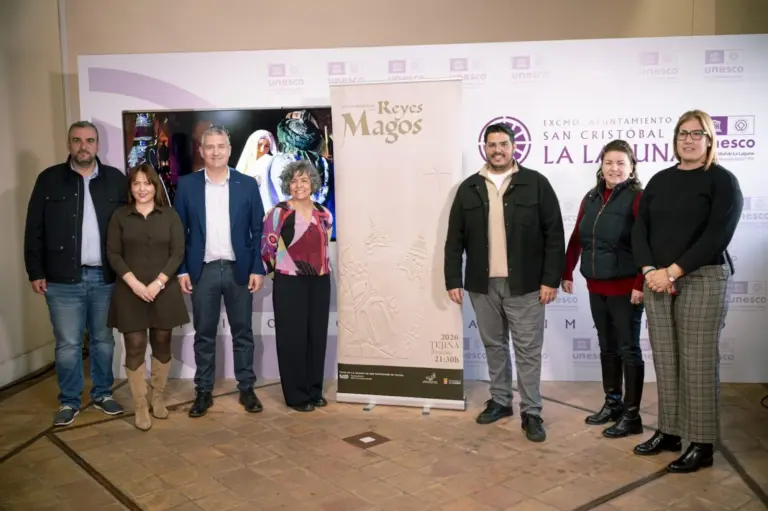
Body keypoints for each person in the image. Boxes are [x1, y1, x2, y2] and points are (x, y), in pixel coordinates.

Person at [631, 110, 743, 473]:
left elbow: (716, 236)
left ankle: (702, 443)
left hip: (702, 278)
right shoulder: (660, 180)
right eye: (683, 133)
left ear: (709, 140)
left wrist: (673, 272)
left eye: (697, 134)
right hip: (657, 281)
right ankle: (671, 431)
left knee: (697, 363)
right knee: (666, 359)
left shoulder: (722, 181)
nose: (689, 139)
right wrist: (650, 270)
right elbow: (640, 229)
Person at [444, 122, 565, 442]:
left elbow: (554, 235)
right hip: (482, 286)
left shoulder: (536, 183)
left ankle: (532, 411)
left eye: (503, 144)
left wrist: (550, 279)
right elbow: (454, 238)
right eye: (492, 144)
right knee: (494, 346)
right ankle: (500, 400)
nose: (498, 149)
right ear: (484, 147)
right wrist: (453, 278)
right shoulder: (468, 188)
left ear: (514, 147)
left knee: (528, 350)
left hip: (526, 285)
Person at [24, 120, 128, 426]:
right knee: (68, 344)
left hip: (104, 278)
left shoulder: (115, 180)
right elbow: (34, 229)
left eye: (90, 140)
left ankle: (103, 394)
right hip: (61, 280)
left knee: (103, 340)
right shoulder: (49, 180)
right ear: (69, 144)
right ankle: (69, 400)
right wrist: (35, 270)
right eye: (77, 140)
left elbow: (128, 227)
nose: (84, 145)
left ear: (97, 145)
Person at [174, 125, 266, 417]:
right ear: (201, 151)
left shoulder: (247, 184)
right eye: (209, 147)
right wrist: (182, 270)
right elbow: (179, 232)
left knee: (243, 333)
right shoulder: (187, 185)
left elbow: (258, 229)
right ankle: (203, 391)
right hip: (203, 271)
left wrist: (257, 267)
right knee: (204, 334)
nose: (215, 152)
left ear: (229, 150)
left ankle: (246, 388)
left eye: (221, 146)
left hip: (239, 269)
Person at [561, 140, 646, 438]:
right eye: (609, 162)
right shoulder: (592, 197)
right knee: (607, 347)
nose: (614, 168)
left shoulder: (638, 198)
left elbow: (646, 244)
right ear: (601, 165)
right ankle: (612, 404)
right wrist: (567, 269)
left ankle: (632, 415)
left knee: (629, 349)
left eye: (621, 163)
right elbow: (578, 236)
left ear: (632, 167)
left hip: (626, 289)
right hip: (596, 285)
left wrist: (640, 283)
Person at [106, 164, 189, 431]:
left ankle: (158, 397)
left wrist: (158, 283)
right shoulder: (120, 216)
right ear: (130, 188)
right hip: (130, 291)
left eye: (147, 183)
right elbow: (113, 254)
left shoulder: (170, 215)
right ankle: (140, 405)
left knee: (162, 342)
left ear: (156, 186)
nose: (142, 189)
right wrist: (134, 283)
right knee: (135, 345)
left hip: (163, 289)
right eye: (136, 183)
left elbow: (177, 252)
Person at [261, 161, 333, 412]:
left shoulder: (324, 213)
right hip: (289, 280)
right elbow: (267, 248)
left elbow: (324, 247)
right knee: (292, 338)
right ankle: (296, 395)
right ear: (287, 184)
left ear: (313, 183)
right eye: (294, 180)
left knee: (316, 336)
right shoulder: (278, 212)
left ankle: (314, 390)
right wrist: (279, 272)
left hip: (321, 279)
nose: (299, 185)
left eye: (304, 180)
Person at [236, 129, 276, 210]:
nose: (262, 150)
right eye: (260, 144)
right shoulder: (244, 165)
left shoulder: (270, 163)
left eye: (266, 146)